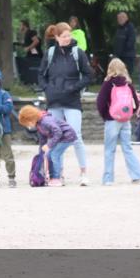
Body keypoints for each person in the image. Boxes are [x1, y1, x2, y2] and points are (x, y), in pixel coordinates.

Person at [37, 22, 92, 185]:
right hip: (54, 102)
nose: (68, 39)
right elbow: (41, 75)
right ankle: (57, 173)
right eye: (64, 36)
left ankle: (83, 173)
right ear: (57, 37)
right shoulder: (50, 53)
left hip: (72, 100)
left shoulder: (78, 53)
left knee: (76, 136)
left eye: (69, 35)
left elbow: (89, 75)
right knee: (55, 136)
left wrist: (74, 88)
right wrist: (47, 89)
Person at [95, 58, 140, 186]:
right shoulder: (128, 83)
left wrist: (106, 115)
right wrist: (129, 113)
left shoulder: (108, 83)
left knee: (109, 149)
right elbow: (136, 102)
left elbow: (100, 102)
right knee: (127, 148)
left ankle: (108, 179)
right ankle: (137, 176)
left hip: (112, 120)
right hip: (125, 120)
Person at [18, 105, 78, 186]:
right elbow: (43, 140)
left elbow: (58, 132)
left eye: (27, 123)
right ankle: (53, 177)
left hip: (67, 136)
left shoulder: (46, 121)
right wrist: (41, 152)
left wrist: (49, 145)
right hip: (60, 138)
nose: (28, 126)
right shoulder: (38, 124)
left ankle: (56, 178)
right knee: (49, 154)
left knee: (54, 155)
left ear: (31, 118)